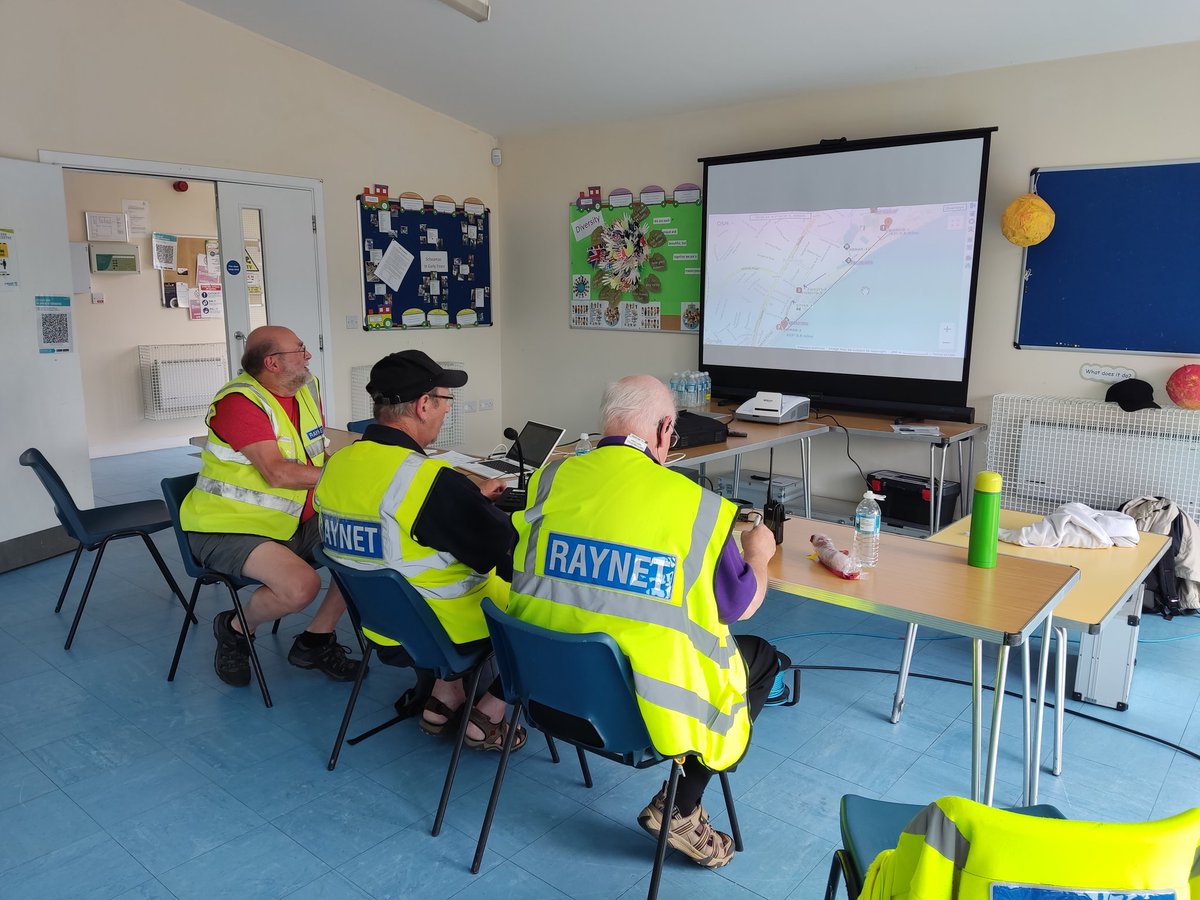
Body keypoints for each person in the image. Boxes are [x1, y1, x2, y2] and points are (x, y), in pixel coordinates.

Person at [505, 374, 790, 868]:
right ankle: (681, 808)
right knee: (761, 657)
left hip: (544, 693)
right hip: (640, 717)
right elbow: (739, 606)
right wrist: (759, 555)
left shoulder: (549, 479)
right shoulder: (694, 506)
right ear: (663, 429)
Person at [314, 350, 526, 751]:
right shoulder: (427, 481)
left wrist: (468, 501)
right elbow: (507, 551)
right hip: (447, 628)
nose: (447, 409)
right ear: (423, 405)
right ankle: (488, 715)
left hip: (383, 627)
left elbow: (392, 527)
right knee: (546, 603)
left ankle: (444, 698)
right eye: (446, 400)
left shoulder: (338, 464)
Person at [181, 325, 362, 687]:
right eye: (300, 349)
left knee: (367, 546)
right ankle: (236, 628)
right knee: (301, 587)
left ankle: (316, 640)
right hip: (228, 527)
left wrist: (351, 470)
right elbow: (277, 473)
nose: (308, 356)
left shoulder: (305, 388)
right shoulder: (240, 402)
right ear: (273, 363)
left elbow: (315, 455)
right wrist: (348, 478)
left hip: (293, 521)